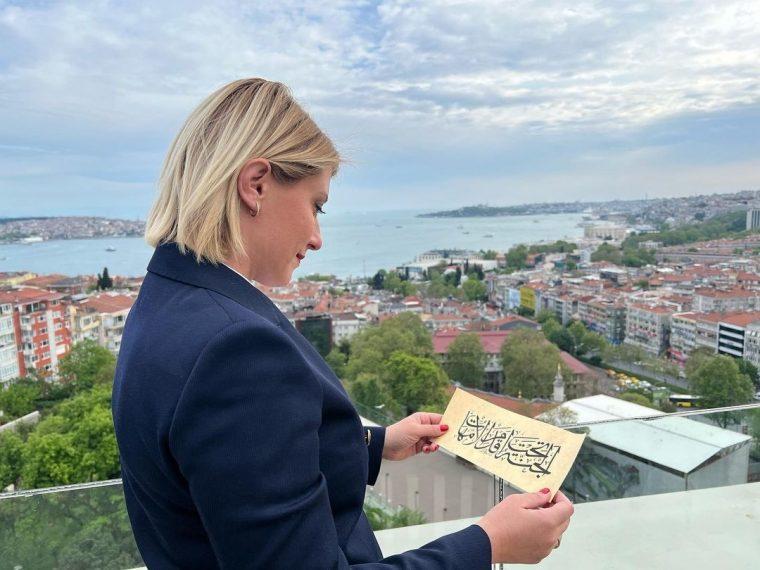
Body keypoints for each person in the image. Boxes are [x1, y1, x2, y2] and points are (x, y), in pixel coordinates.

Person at [111, 78, 573, 569]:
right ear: (256, 184)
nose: (317, 238)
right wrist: (489, 543)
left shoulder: (167, 301)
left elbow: (231, 470)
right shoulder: (236, 349)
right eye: (316, 205)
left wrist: (372, 445)